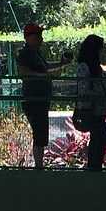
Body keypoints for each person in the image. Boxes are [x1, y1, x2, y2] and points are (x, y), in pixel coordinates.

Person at [17, 23, 73, 170]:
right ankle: (39, 166)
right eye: (38, 36)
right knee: (39, 133)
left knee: (41, 133)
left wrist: (61, 64)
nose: (41, 39)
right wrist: (44, 75)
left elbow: (46, 67)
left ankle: (39, 165)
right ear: (29, 37)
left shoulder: (36, 53)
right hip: (34, 99)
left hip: (40, 99)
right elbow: (24, 72)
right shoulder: (25, 54)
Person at [75, 35, 106, 171]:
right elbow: (83, 87)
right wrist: (99, 96)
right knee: (102, 137)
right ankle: (94, 165)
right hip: (91, 109)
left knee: (99, 137)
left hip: (98, 109)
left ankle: (95, 165)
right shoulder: (85, 67)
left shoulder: (94, 66)